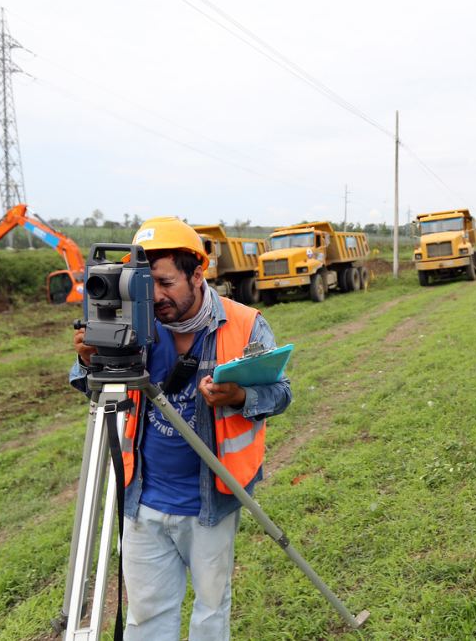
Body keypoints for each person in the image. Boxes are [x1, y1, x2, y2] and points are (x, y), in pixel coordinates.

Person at [69, 216, 291, 641]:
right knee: (145, 619)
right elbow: (90, 388)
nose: (155, 296)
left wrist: (240, 398)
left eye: (166, 282)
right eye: (143, 283)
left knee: (210, 614)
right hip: (142, 500)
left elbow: (281, 394)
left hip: (212, 500)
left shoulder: (244, 324)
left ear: (197, 272)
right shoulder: (131, 325)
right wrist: (87, 361)